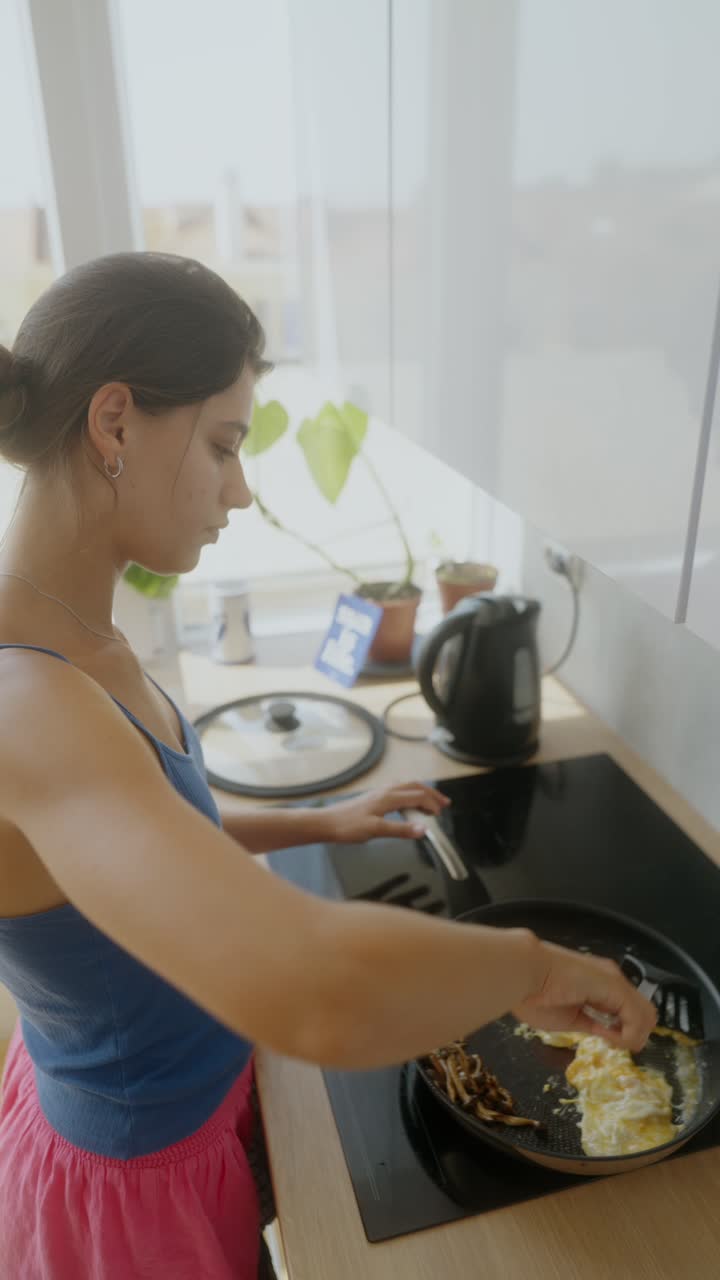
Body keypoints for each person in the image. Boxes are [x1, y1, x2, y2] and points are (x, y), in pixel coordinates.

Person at [0, 253, 656, 1280]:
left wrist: (324, 817)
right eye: (223, 444)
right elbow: (314, 986)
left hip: (186, 1105)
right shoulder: (26, 700)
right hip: (135, 1184)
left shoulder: (86, 635)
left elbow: (140, 841)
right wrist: (533, 966)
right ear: (114, 421)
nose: (241, 489)